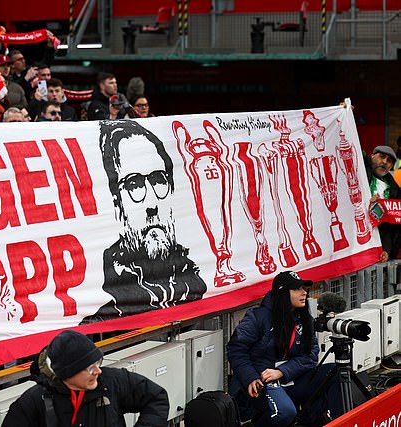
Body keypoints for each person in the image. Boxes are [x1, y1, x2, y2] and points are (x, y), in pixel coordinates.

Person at [83, 120, 207, 322]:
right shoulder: (102, 316)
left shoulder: (198, 283)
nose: (152, 203)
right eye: (134, 185)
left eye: (159, 180)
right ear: (117, 203)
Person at [227, 271, 341, 427]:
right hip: (262, 379)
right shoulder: (257, 317)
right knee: (285, 412)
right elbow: (236, 350)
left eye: (304, 288)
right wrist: (250, 377)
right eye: (297, 289)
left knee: (336, 372)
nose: (304, 293)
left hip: (290, 377)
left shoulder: (305, 318)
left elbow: (311, 355)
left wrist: (283, 371)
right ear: (282, 293)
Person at [2, 330, 169, 427]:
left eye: (98, 362)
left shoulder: (111, 382)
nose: (98, 371)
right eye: (89, 368)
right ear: (67, 372)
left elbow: (156, 398)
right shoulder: (33, 401)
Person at [363, 145, 401, 262]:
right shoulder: (360, 172)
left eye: (389, 161)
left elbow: (389, 227)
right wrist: (365, 203)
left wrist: (387, 250)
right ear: (372, 156)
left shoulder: (393, 190)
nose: (384, 162)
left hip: (373, 248)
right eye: (382, 156)